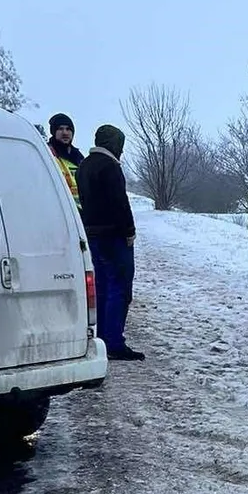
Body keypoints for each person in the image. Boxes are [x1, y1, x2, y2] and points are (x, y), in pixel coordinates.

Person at [76, 124, 144, 361]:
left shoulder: (84, 166)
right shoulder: (110, 167)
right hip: (114, 236)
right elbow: (119, 203)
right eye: (120, 145)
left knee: (102, 286)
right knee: (120, 287)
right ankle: (114, 342)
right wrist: (129, 231)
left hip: (93, 234)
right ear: (114, 143)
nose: (121, 151)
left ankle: (103, 338)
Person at [47, 113, 85, 208]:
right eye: (60, 129)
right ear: (54, 132)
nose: (65, 133)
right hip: (59, 209)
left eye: (68, 129)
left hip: (81, 212)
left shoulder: (79, 158)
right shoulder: (48, 153)